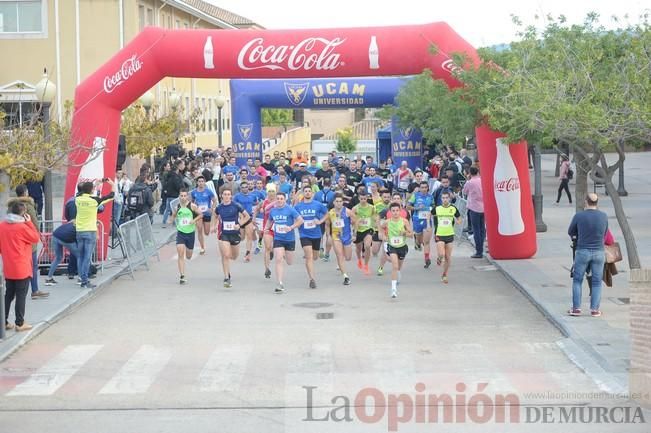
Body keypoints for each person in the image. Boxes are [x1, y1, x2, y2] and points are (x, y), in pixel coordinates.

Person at [1, 201, 41, 332]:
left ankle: (3, 321)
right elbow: (35, 238)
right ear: (23, 214)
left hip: (9, 266)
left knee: (8, 295)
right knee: (21, 295)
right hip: (22, 267)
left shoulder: (2, 226)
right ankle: (19, 322)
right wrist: (29, 222)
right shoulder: (22, 227)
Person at [567, 193, 608, 317]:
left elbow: (570, 231)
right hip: (599, 252)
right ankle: (595, 310)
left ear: (586, 202)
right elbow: (605, 233)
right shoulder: (603, 216)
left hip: (582, 251)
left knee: (577, 280)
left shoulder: (579, 216)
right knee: (596, 282)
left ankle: (576, 309)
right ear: (597, 203)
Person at [9, 185, 49, 299]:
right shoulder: (28, 205)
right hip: (28, 240)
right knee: (32, 266)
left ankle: (15, 290)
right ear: (26, 193)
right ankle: (34, 290)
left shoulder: (12, 205)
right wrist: (38, 233)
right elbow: (35, 222)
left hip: (15, 240)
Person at [75, 180, 115, 289]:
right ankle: (84, 280)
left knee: (81, 256)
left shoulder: (77, 199)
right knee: (87, 258)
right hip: (90, 231)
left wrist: (94, 186)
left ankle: (81, 277)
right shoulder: (94, 201)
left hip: (79, 230)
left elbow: (80, 193)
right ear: (91, 190)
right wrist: (112, 184)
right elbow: (111, 196)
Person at [266, 192, 303, 294]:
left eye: (281, 199)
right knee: (278, 259)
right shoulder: (273, 211)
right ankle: (280, 283)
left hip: (289, 239)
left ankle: (285, 255)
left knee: (289, 262)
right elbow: (270, 220)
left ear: (285, 200)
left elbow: (300, 220)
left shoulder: (290, 209)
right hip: (278, 238)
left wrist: (290, 227)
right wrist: (266, 228)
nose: (279, 200)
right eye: (278, 198)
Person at [214, 189, 249, 288]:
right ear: (222, 196)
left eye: (228, 194)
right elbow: (215, 216)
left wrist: (239, 224)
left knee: (234, 256)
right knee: (225, 255)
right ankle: (226, 277)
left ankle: (227, 267)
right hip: (224, 233)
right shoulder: (219, 207)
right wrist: (213, 225)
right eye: (225, 194)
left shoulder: (236, 205)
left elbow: (246, 216)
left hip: (235, 234)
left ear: (231, 196)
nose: (226, 196)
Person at [295, 185, 328, 289]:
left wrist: (320, 221)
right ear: (303, 193)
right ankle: (312, 279)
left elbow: (327, 213)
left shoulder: (318, 205)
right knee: (308, 257)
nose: (308, 193)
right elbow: (293, 217)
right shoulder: (298, 206)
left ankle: (316, 257)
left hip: (316, 234)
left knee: (315, 257)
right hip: (304, 234)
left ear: (312, 194)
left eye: (309, 191)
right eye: (306, 191)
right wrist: (297, 223)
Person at [381, 202, 413, 298]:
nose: (395, 213)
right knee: (394, 266)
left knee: (398, 267)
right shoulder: (387, 222)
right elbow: (381, 228)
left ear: (400, 211)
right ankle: (393, 289)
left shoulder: (404, 221)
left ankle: (397, 273)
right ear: (390, 212)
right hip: (392, 246)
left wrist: (404, 233)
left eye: (397, 210)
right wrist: (383, 235)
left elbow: (411, 235)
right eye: (393, 211)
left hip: (402, 247)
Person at [170, 189, 201, 284]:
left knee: (188, 256)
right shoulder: (177, 207)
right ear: (179, 197)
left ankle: (189, 251)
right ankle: (182, 276)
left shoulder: (192, 206)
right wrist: (171, 220)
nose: (183, 198)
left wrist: (194, 220)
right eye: (181, 196)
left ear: (187, 196)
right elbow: (174, 215)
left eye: (184, 196)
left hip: (190, 233)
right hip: (181, 233)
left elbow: (201, 215)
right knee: (180, 254)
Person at [325, 193, 356, 285]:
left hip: (347, 237)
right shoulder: (330, 213)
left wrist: (354, 233)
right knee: (339, 255)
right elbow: (327, 224)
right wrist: (328, 236)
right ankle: (345, 276)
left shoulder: (348, 211)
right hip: (336, 236)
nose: (338, 203)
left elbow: (355, 221)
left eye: (340, 201)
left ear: (343, 202)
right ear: (334, 202)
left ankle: (341, 264)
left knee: (348, 257)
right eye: (337, 201)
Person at [433, 191, 462, 284]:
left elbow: (459, 218)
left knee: (448, 257)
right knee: (442, 254)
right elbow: (430, 214)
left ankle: (444, 274)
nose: (445, 199)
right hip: (439, 234)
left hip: (449, 234)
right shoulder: (437, 208)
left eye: (446, 198)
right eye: (443, 198)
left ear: (449, 199)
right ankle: (439, 258)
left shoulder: (453, 208)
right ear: (441, 199)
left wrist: (458, 222)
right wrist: (429, 223)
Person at [407, 181, 434, 268]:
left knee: (426, 242)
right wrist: (416, 208)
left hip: (427, 220)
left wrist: (431, 209)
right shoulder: (415, 195)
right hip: (417, 219)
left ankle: (427, 259)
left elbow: (433, 206)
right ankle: (417, 242)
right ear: (420, 188)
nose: (423, 189)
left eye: (425, 187)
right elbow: (408, 206)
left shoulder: (430, 196)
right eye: (422, 187)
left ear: (427, 188)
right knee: (419, 239)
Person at [44, 221, 80, 286]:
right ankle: (81, 278)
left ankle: (48, 278)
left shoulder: (73, 222)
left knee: (58, 258)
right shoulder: (82, 227)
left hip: (55, 236)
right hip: (67, 239)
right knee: (80, 257)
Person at [190, 175, 217, 255]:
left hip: (207, 213)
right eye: (199, 181)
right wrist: (193, 209)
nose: (201, 183)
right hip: (198, 214)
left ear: (204, 182)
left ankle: (203, 244)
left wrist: (211, 208)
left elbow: (214, 201)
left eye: (202, 181)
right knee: (199, 229)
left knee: (207, 232)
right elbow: (191, 202)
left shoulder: (208, 191)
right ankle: (202, 247)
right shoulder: (194, 192)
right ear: (197, 183)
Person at [462, 166, 485, 258]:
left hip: (474, 207)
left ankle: (479, 251)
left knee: (476, 230)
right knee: (482, 228)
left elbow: (464, 192)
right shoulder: (482, 180)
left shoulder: (469, 182)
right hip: (483, 207)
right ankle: (481, 246)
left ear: (470, 173)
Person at [233, 181, 258, 262]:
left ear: (248, 187)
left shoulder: (253, 196)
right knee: (242, 238)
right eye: (242, 187)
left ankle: (248, 254)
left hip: (249, 218)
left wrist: (256, 211)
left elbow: (256, 203)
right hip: (241, 218)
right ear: (240, 188)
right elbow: (233, 205)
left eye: (246, 187)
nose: (244, 188)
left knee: (249, 237)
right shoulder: (237, 196)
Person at [352, 190, 376, 275]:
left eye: (365, 199)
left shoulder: (372, 207)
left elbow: (375, 217)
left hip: (368, 229)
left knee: (367, 246)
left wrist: (375, 224)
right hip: (358, 230)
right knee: (358, 248)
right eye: (361, 199)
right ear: (359, 198)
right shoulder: (355, 208)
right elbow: (352, 221)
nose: (363, 200)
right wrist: (357, 222)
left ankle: (366, 265)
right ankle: (359, 260)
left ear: (367, 198)